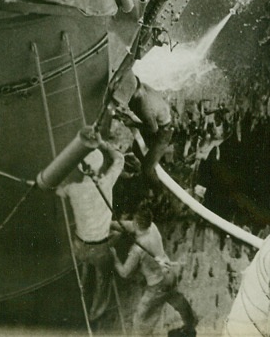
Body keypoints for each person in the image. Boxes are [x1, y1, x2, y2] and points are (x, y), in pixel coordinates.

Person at [56, 128, 128, 321]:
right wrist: (103, 143)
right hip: (100, 249)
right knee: (104, 277)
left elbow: (57, 189)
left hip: (79, 246)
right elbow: (119, 159)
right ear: (100, 165)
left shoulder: (73, 189)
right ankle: (96, 311)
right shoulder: (107, 182)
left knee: (86, 258)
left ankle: (82, 280)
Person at [116, 204, 197, 337]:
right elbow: (130, 225)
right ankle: (190, 323)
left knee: (140, 318)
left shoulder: (137, 249)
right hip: (169, 273)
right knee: (176, 298)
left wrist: (114, 257)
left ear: (136, 222)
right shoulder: (152, 227)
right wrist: (111, 224)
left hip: (157, 285)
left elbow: (124, 272)